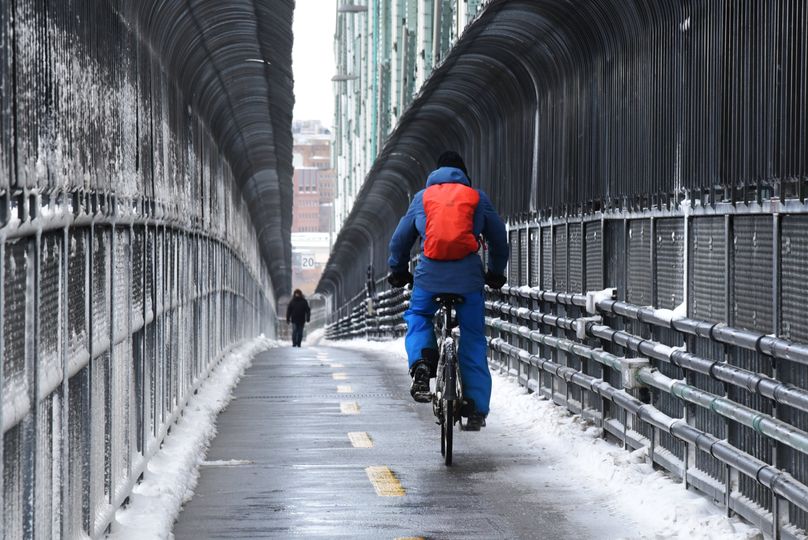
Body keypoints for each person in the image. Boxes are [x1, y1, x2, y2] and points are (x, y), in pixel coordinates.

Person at [387, 151, 508, 431]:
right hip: (468, 277)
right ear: (465, 175)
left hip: (430, 276)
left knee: (418, 314)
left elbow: (399, 240)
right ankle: (476, 407)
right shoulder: (477, 197)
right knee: (474, 337)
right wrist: (496, 273)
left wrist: (398, 270)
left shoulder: (422, 198)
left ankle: (421, 364)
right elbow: (498, 239)